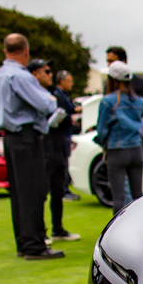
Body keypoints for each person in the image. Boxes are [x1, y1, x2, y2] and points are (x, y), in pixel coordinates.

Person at [0, 32, 62, 260]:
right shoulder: (19, 76)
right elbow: (45, 104)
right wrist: (50, 101)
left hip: (10, 137)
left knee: (19, 193)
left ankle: (24, 241)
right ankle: (34, 246)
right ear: (26, 52)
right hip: (27, 136)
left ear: (5, 51)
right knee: (33, 191)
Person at [28, 59, 78, 243]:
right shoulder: (38, 95)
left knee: (58, 190)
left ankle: (58, 229)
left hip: (59, 148)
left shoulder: (51, 95)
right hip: (46, 149)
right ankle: (40, 232)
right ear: (35, 74)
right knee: (41, 191)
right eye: (46, 71)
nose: (50, 75)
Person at [94, 60, 143, 215]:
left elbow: (102, 130)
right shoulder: (140, 101)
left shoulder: (108, 101)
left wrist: (103, 145)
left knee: (118, 197)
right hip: (136, 150)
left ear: (111, 80)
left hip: (116, 151)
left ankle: (117, 232)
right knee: (138, 196)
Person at [105, 46, 143, 121]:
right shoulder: (108, 86)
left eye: (112, 61)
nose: (109, 65)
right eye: (108, 61)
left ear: (123, 61)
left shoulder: (139, 84)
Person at [52, 71, 81, 200]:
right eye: (69, 81)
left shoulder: (63, 95)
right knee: (63, 163)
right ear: (62, 81)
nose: (72, 84)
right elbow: (68, 110)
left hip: (65, 134)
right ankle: (64, 190)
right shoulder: (58, 96)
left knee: (65, 162)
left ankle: (65, 188)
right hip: (61, 135)